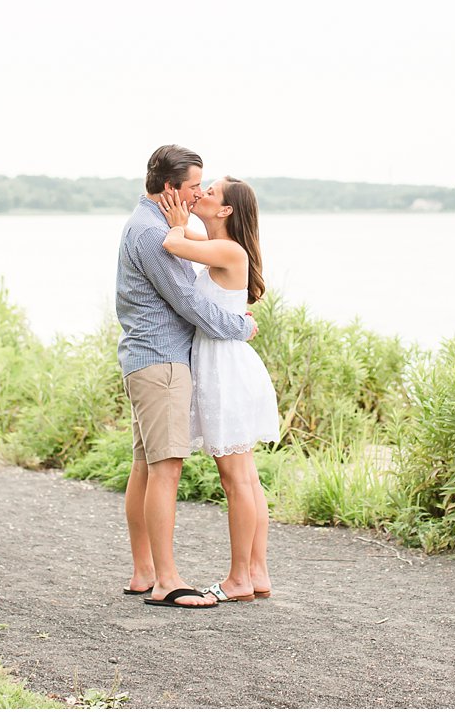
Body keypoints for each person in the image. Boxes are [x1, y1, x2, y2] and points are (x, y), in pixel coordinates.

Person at [116, 145, 258, 609]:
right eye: (195, 185)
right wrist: (241, 327)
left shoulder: (154, 226)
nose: (198, 193)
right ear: (171, 188)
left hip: (151, 359)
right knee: (166, 467)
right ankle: (166, 581)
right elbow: (189, 302)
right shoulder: (151, 233)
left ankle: (144, 573)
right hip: (163, 361)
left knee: (146, 465)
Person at [157, 176, 280, 603]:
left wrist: (175, 223)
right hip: (223, 366)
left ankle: (238, 580)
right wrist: (178, 216)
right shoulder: (217, 246)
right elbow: (184, 235)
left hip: (226, 371)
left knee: (236, 478)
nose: (200, 194)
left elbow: (174, 243)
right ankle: (257, 573)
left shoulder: (228, 250)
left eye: (210, 192)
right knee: (245, 478)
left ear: (226, 210)